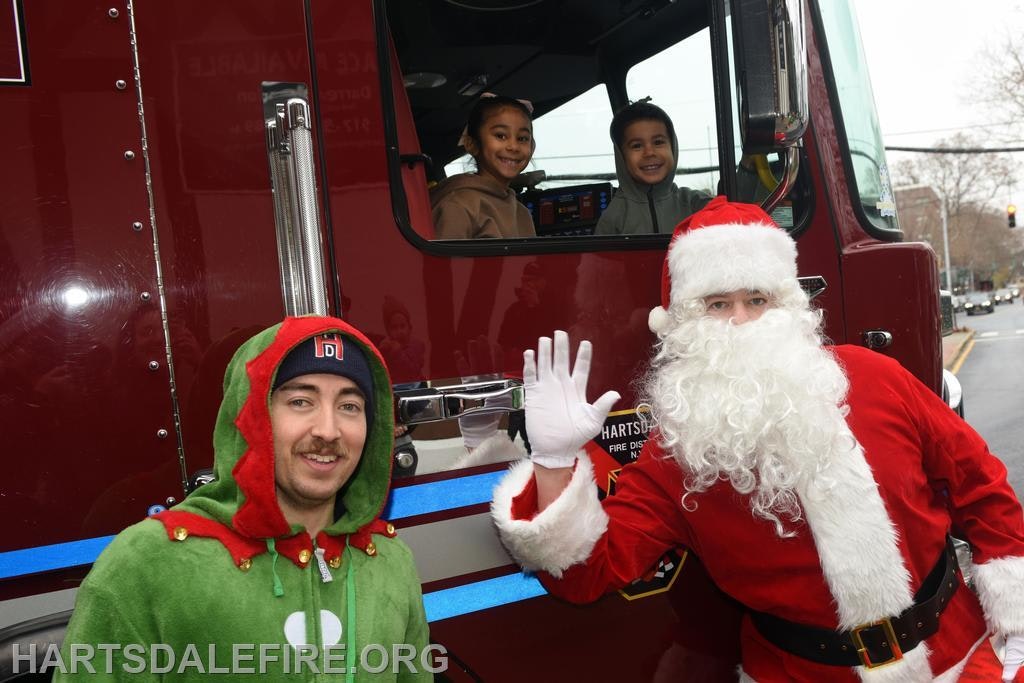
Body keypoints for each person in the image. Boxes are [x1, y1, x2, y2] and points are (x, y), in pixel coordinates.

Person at [492, 197, 1024, 681]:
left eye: (757, 299)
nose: (741, 321)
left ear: (788, 306)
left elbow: (981, 487)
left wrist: (1017, 622)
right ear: (681, 324)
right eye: (717, 305)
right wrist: (555, 462)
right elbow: (585, 577)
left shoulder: (876, 377)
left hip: (963, 657)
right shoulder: (673, 454)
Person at [57, 316, 433, 681]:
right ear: (250, 415)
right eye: (301, 401)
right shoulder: (146, 565)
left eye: (349, 406)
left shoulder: (390, 562)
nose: (328, 430)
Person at [595, 101, 759, 235]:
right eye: (637, 146)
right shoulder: (613, 218)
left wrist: (748, 163)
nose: (649, 152)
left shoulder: (694, 204)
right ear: (621, 156)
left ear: (672, 146)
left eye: (658, 142)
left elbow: (736, 216)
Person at [431, 93, 537, 239]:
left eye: (522, 138)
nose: (514, 146)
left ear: (532, 147)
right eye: (500, 136)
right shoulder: (457, 205)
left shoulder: (522, 212)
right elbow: (447, 262)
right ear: (472, 144)